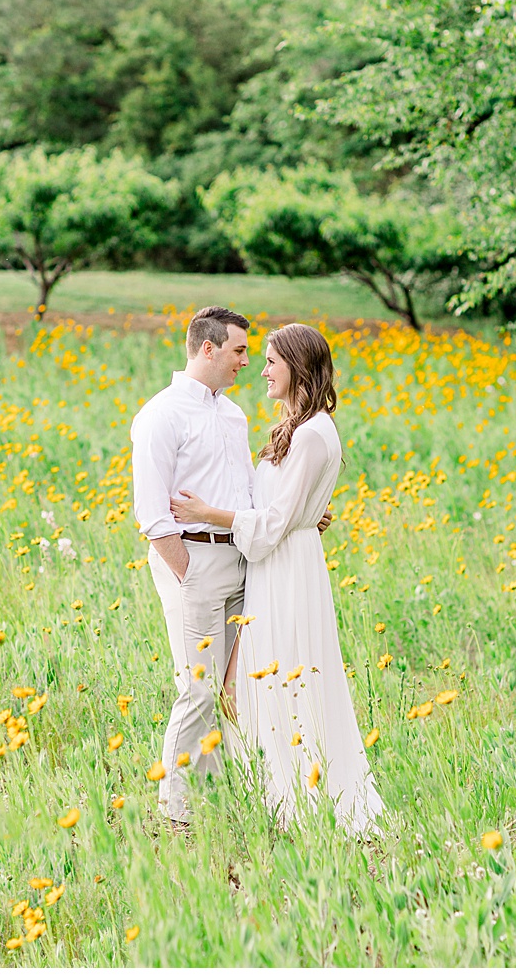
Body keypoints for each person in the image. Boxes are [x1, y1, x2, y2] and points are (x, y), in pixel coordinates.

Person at [171, 322, 384, 835]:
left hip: (286, 567)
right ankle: (279, 790)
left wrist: (209, 513)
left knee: (289, 673)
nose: (261, 370)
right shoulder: (300, 426)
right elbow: (285, 509)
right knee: (265, 677)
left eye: (270, 361)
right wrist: (305, 516)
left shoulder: (313, 433)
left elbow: (268, 526)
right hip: (281, 559)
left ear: (297, 366)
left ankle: (301, 798)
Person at [130, 305, 257, 828]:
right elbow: (151, 512)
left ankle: (214, 798)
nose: (246, 362)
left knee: (234, 687)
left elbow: (246, 488)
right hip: (194, 560)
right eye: (239, 350)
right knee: (198, 686)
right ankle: (174, 810)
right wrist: (188, 572)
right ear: (208, 348)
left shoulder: (233, 415)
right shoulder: (161, 414)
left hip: (240, 557)